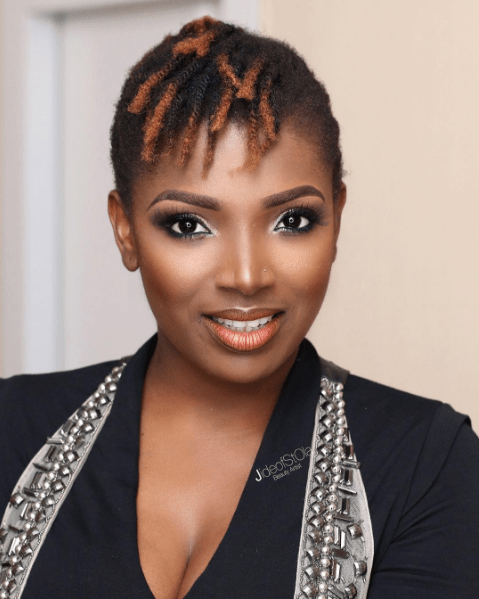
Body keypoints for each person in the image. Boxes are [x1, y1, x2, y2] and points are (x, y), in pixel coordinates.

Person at [1, 15, 478, 599]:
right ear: (125, 231)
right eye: (189, 225)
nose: (247, 277)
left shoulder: (425, 465)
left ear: (336, 220)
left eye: (292, 220)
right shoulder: (13, 430)